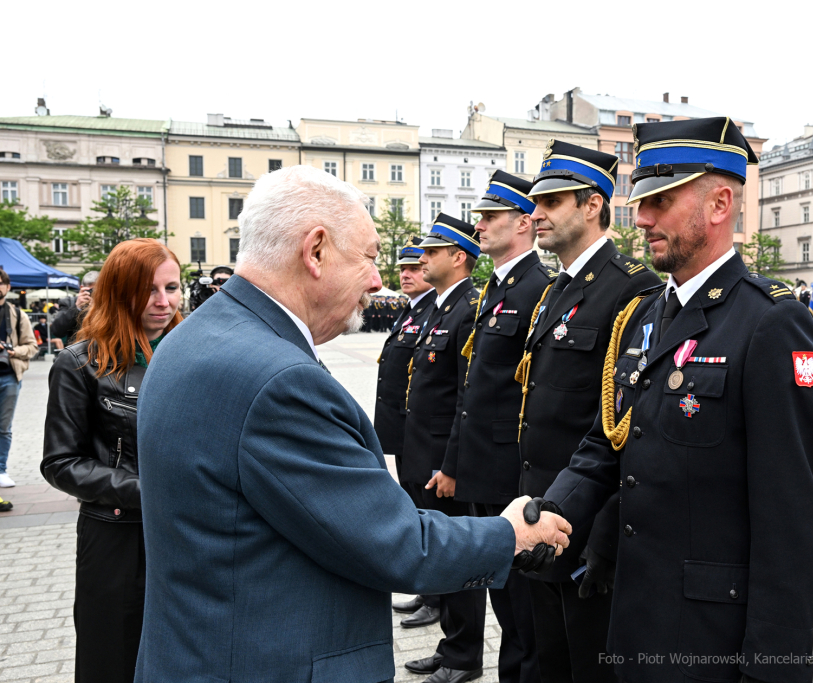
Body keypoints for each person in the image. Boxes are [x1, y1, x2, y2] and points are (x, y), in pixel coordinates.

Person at [134, 166, 571, 683]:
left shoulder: (197, 336)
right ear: (315, 251)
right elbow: (397, 544)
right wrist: (510, 534)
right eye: (366, 257)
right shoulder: (278, 380)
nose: (378, 279)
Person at [528, 117, 813, 683]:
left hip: (712, 639)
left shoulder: (769, 324)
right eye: (640, 200)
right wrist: (550, 514)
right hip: (633, 616)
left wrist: (775, 666)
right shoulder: (643, 315)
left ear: (720, 204)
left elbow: (792, 518)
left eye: (661, 201)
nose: (641, 217)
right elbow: (605, 443)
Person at [519, 140, 661, 683]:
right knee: (547, 663)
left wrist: (602, 539)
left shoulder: (632, 291)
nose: (536, 215)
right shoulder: (558, 290)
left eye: (552, 202)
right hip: (542, 514)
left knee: (588, 669)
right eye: (536, 203)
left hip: (584, 534)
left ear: (592, 205)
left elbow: (623, 427)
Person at [40, 239, 183, 683]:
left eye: (173, 287)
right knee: (113, 657)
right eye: (148, 290)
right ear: (119, 291)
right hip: (118, 534)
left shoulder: (195, 352)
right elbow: (60, 461)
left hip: (188, 532)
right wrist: (150, 492)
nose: (164, 302)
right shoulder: (80, 363)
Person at [438, 171, 554, 683]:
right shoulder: (496, 288)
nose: (478, 226)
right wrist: (456, 464)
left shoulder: (538, 289)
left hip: (511, 473)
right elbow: (473, 391)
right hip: (483, 470)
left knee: (525, 616)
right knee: (507, 609)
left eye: (489, 217)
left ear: (523, 223)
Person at [401, 213, 488, 683]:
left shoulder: (468, 309)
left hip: (443, 461)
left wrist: (452, 464)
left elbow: (464, 396)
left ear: (458, 258)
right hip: (423, 454)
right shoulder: (436, 307)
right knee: (439, 555)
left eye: (432, 252)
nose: (422, 258)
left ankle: (465, 657)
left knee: (458, 557)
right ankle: (450, 645)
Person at [376, 238, 439, 629]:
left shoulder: (436, 310)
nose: (407, 274)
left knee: (432, 516)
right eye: (403, 269)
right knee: (416, 512)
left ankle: (438, 599)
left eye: (415, 267)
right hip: (404, 433)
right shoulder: (410, 311)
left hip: (424, 435)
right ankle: (429, 593)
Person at [0, 268, 37, 489]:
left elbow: (32, 346)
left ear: (7, 286)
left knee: (3, 427)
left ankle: (1, 470)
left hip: (9, 377)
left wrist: (12, 351)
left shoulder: (16, 314)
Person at [50, 270, 100, 343]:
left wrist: (98, 309)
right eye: (91, 290)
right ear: (81, 288)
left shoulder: (106, 303)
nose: (94, 294)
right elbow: (57, 331)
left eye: (97, 290)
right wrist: (76, 308)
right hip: (76, 350)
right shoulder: (69, 302)